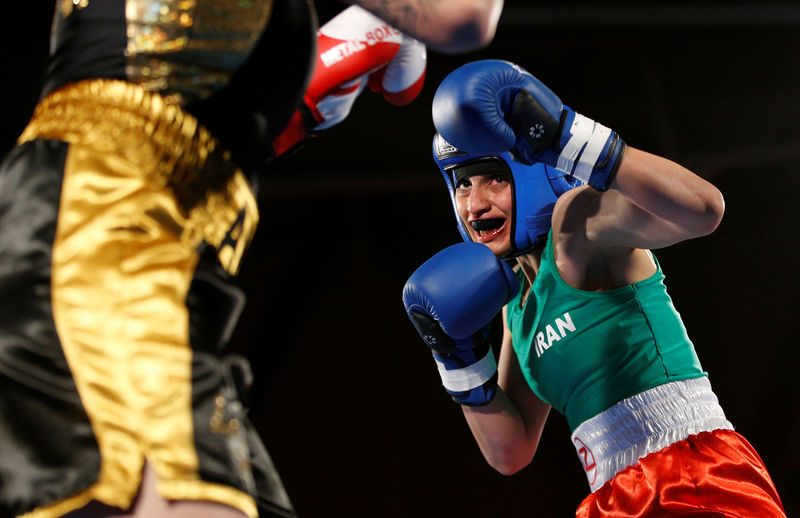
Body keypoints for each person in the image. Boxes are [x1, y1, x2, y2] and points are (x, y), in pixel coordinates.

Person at [0, 2, 502, 517]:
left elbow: (160, 96)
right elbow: (462, 14)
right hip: (105, 239)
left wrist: (291, 104)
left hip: (154, 259)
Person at [402, 59, 786, 517]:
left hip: (688, 473)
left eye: (495, 178)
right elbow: (510, 452)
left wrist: (570, 138)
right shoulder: (516, 306)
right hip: (611, 494)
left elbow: (704, 209)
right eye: (463, 183)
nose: (476, 203)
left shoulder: (576, 228)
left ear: (531, 172)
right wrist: (456, 360)